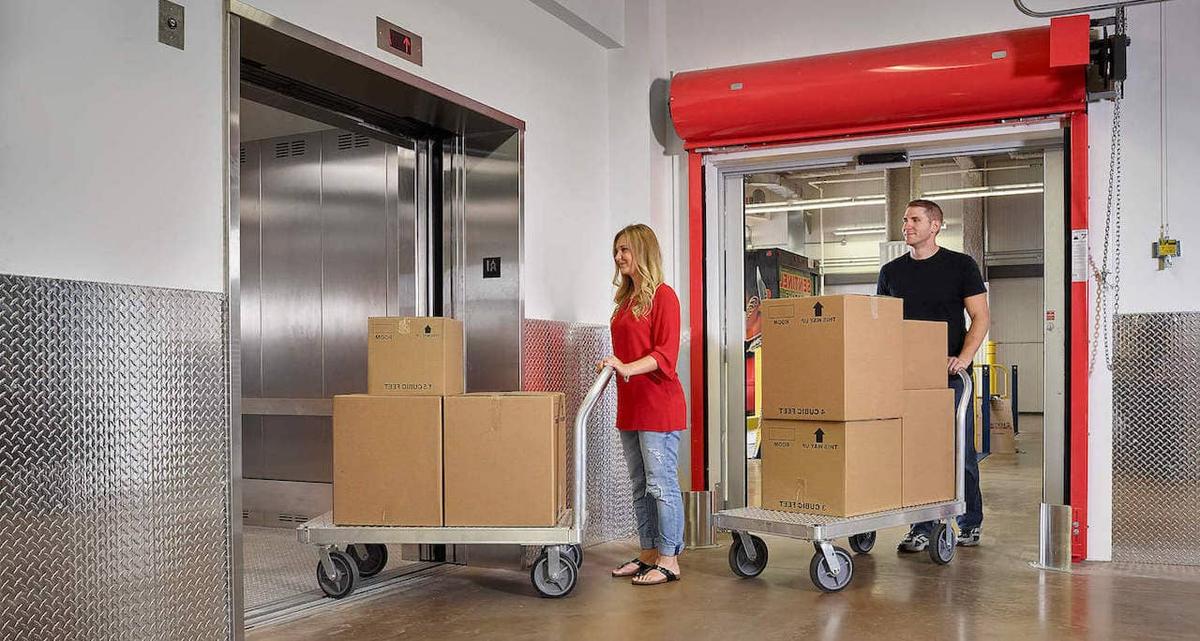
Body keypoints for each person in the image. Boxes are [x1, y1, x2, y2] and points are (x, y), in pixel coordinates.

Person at [877, 199, 990, 549]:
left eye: (914, 219)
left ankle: (968, 520)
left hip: (950, 376)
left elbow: (981, 316)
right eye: (904, 219)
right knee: (917, 452)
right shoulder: (892, 272)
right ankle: (922, 527)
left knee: (959, 452)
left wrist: (963, 357)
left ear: (935, 225)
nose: (906, 225)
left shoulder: (960, 266)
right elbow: (883, 324)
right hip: (908, 376)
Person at [599, 223, 688, 586]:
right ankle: (649, 552)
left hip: (659, 405)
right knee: (640, 485)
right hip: (632, 406)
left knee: (661, 483)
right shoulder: (625, 302)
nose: (619, 257)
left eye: (626, 250)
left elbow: (665, 355)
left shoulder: (663, 297)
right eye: (617, 250)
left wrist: (625, 367)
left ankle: (669, 559)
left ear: (643, 252)